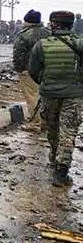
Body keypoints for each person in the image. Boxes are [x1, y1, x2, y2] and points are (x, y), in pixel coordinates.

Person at [28, 11, 83, 186]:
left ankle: (54, 158)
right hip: (74, 95)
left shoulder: (41, 45)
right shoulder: (79, 43)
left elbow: (33, 71)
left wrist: (46, 83)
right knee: (68, 132)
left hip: (49, 94)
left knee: (52, 129)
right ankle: (61, 172)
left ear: (54, 24)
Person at [12, 10, 49, 131]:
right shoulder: (48, 33)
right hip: (47, 70)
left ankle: (36, 123)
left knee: (32, 96)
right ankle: (45, 121)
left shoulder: (24, 34)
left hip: (28, 70)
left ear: (28, 21)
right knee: (45, 96)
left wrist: (19, 69)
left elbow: (18, 53)